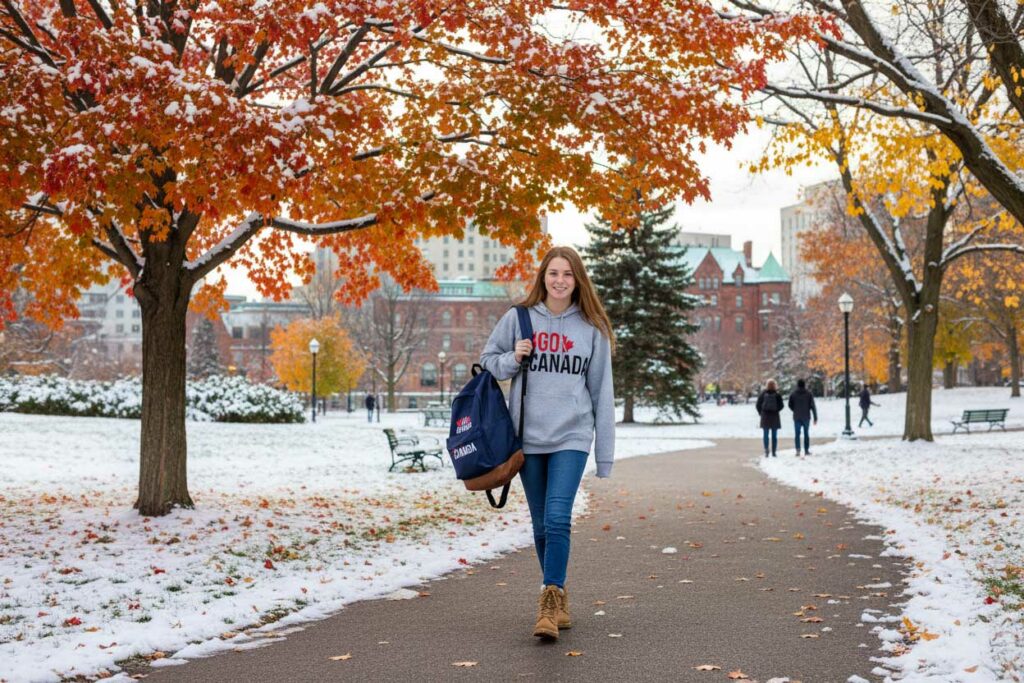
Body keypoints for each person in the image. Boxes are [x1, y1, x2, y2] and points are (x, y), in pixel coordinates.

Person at [480, 246, 615, 642]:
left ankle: (547, 599)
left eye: (568, 274)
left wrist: (604, 455)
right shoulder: (519, 318)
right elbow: (488, 359)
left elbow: (602, 392)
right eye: (553, 273)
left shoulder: (592, 328)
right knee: (540, 525)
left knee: (557, 518)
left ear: (578, 280)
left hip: (572, 436)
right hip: (528, 438)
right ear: (543, 277)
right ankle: (559, 593)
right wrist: (512, 358)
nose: (559, 281)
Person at [787, 378, 818, 455]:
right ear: (804, 385)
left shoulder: (793, 394)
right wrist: (815, 417)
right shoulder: (809, 394)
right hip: (806, 416)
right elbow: (813, 406)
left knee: (797, 434)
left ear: (797, 385)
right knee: (806, 434)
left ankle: (798, 450)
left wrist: (794, 410)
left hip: (797, 416)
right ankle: (806, 450)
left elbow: (789, 405)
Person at [756, 378, 784, 457]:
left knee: (766, 434)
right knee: (774, 435)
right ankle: (774, 451)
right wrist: (776, 410)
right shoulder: (777, 395)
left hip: (765, 417)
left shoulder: (763, 394)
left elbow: (758, 405)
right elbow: (782, 405)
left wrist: (761, 413)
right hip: (774, 416)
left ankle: (766, 450)